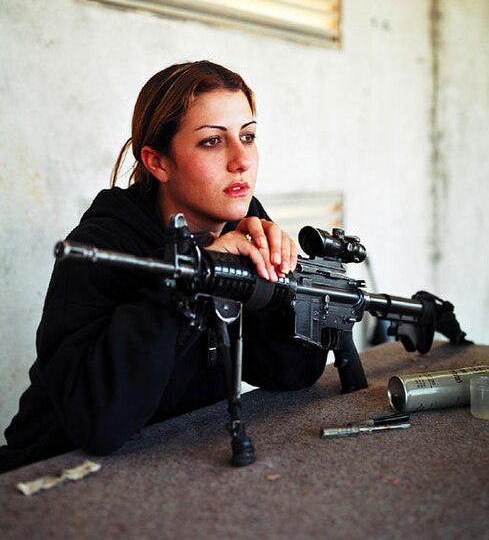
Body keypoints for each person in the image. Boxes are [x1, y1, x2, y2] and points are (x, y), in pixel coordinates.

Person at [0, 60, 327, 473]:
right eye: (212, 142)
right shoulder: (102, 246)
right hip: (49, 476)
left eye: (248, 136)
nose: (241, 160)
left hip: (175, 462)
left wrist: (280, 286)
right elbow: (98, 424)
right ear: (158, 162)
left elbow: (291, 372)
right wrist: (197, 273)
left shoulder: (245, 227)